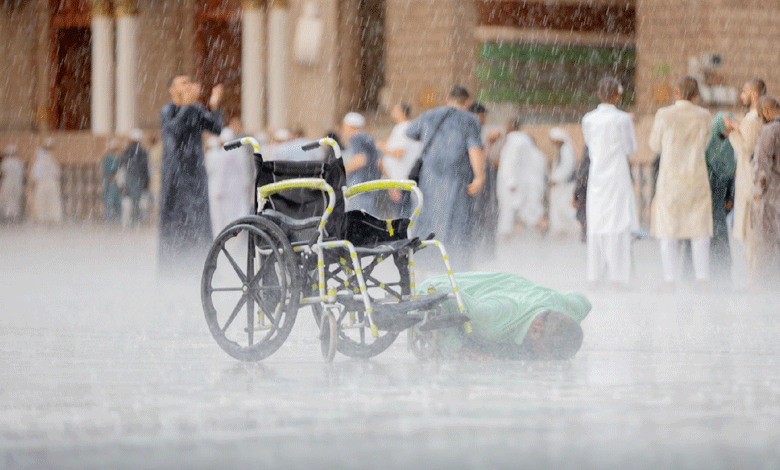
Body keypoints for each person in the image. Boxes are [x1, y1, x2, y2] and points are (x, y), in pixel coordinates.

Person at [419, 272, 590, 360]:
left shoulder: (566, 309)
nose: (546, 364)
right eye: (545, 356)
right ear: (536, 329)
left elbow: (583, 301)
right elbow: (436, 290)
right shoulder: (491, 318)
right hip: (460, 287)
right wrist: (455, 348)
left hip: (513, 286)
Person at [406, 86, 485, 271]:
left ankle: (422, 272)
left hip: (429, 182)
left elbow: (410, 133)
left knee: (426, 226)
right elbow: (475, 149)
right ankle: (453, 272)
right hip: (456, 182)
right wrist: (480, 176)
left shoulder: (429, 115)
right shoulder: (469, 120)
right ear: (467, 102)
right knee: (455, 229)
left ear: (448, 99)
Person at [648, 76, 712, 290]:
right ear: (696, 95)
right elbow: (704, 144)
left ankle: (670, 280)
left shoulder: (664, 115)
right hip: (696, 178)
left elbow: (655, 144)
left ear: (676, 92)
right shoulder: (704, 115)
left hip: (671, 180)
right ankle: (702, 279)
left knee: (669, 230)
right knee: (699, 230)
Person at [158, 74, 223, 275]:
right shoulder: (167, 111)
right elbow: (173, 131)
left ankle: (202, 268)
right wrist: (186, 107)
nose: (187, 87)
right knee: (175, 223)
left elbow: (216, 128)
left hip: (195, 176)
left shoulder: (195, 109)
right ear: (171, 90)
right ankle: (173, 268)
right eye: (182, 83)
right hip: (175, 178)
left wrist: (214, 105)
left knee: (199, 221)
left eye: (189, 83)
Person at [581, 77, 638, 288]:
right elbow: (630, 148)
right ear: (618, 96)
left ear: (598, 94)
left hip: (597, 177)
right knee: (618, 224)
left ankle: (594, 276)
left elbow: (589, 144)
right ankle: (617, 277)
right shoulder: (622, 119)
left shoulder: (588, 119)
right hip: (617, 176)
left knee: (596, 224)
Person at [724, 78, 766, 289]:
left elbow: (747, 149)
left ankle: (754, 281)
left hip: (749, 182)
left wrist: (732, 132)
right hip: (750, 180)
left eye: (744, 91)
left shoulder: (752, 119)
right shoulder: (755, 119)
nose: (741, 95)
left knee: (750, 234)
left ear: (754, 95)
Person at [496, 116, 547, 242]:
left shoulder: (515, 140)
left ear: (512, 126)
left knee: (511, 210)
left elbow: (511, 162)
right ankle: (539, 226)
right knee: (521, 209)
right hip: (518, 182)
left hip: (511, 184)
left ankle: (507, 237)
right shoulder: (521, 140)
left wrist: (511, 181)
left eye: (508, 124)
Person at [751, 95, 780, 288]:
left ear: (767, 112)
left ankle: (764, 288)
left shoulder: (770, 131)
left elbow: (762, 167)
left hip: (773, 194)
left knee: (767, 242)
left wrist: (758, 191)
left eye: (761, 115)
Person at [704, 112, 737, 281]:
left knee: (720, 237)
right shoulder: (707, 145)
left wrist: (730, 197)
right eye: (722, 131)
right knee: (702, 239)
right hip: (705, 199)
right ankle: (702, 276)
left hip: (721, 202)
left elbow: (732, 174)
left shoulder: (730, 147)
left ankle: (722, 277)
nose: (725, 135)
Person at [377, 103, 422, 218]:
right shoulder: (402, 128)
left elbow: (399, 153)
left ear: (402, 112)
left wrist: (381, 148)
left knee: (402, 218)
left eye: (395, 110)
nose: (392, 112)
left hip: (400, 180)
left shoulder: (404, 128)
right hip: (398, 180)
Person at [468, 102, 500, 258]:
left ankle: (485, 253)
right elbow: (479, 158)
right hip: (477, 181)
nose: (483, 120)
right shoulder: (471, 131)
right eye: (481, 116)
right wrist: (489, 143)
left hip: (485, 181)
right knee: (480, 217)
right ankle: (478, 253)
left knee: (487, 217)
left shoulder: (476, 131)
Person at [208, 127, 251, 235]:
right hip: (238, 184)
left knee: (227, 214)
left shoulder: (225, 153)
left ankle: (231, 236)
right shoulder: (240, 151)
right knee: (239, 211)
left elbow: (221, 173)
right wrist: (246, 184)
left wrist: (218, 190)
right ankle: (239, 235)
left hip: (227, 186)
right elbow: (245, 169)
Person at [341, 112, 382, 214]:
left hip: (359, 185)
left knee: (356, 219)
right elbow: (379, 162)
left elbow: (361, 160)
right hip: (369, 184)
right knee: (367, 217)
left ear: (350, 125)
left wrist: (342, 171)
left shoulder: (357, 138)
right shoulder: (368, 138)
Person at [547, 127, 580, 237]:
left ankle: (574, 231)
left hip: (566, 186)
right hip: (562, 185)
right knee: (561, 209)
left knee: (567, 209)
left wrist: (556, 179)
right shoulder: (564, 148)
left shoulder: (566, 149)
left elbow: (567, 167)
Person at [120, 129, 150, 228]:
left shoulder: (126, 151)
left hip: (129, 178)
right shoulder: (143, 151)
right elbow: (146, 168)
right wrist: (146, 183)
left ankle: (129, 221)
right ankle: (137, 221)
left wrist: (122, 181)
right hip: (139, 179)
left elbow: (122, 167)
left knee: (128, 200)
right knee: (137, 201)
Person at [32, 138, 63, 225]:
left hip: (42, 185)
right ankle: (53, 220)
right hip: (52, 184)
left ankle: (43, 220)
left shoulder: (38, 163)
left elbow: (36, 177)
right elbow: (57, 175)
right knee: (53, 203)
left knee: (41, 203)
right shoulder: (53, 161)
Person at [0, 145, 24, 223]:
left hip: (7, 185)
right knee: (15, 202)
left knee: (7, 201)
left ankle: (8, 218)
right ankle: (14, 217)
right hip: (17, 186)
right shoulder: (19, 162)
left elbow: (2, 174)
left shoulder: (5, 162)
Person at [101, 139, 122, 223]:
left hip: (116, 183)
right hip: (110, 183)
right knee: (109, 202)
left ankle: (115, 219)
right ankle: (109, 220)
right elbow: (106, 171)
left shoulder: (118, 158)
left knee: (117, 202)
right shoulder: (107, 158)